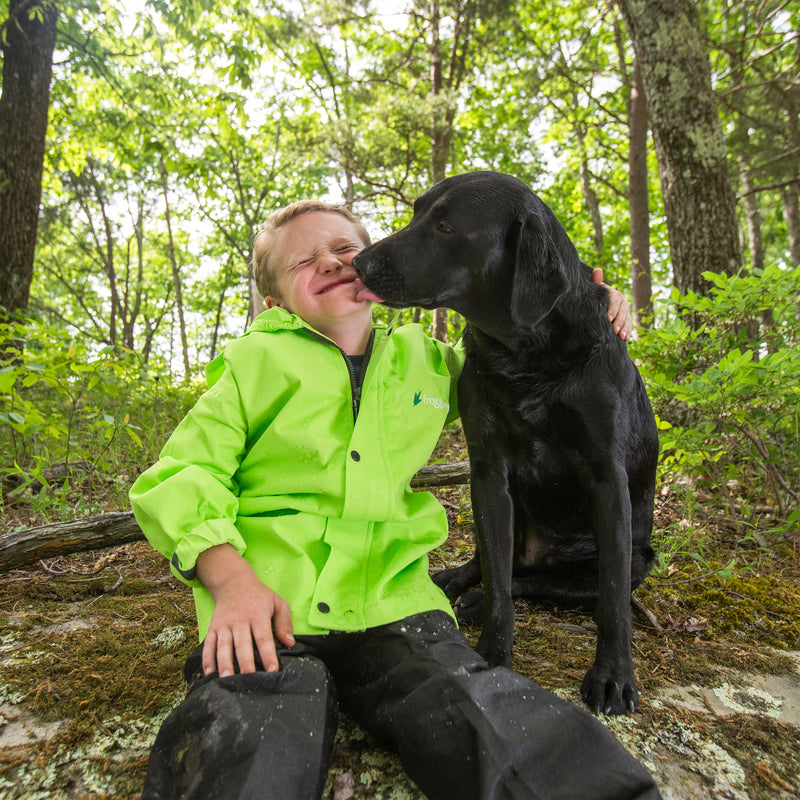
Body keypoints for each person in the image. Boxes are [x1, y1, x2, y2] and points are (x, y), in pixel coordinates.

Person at [130, 200, 661, 800]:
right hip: (272, 608)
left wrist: (585, 300)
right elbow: (181, 474)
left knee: (481, 708)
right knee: (250, 736)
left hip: (397, 605)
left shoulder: (429, 363)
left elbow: (527, 357)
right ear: (275, 303)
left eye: (343, 249)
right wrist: (230, 582)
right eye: (304, 260)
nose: (330, 261)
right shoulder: (253, 366)